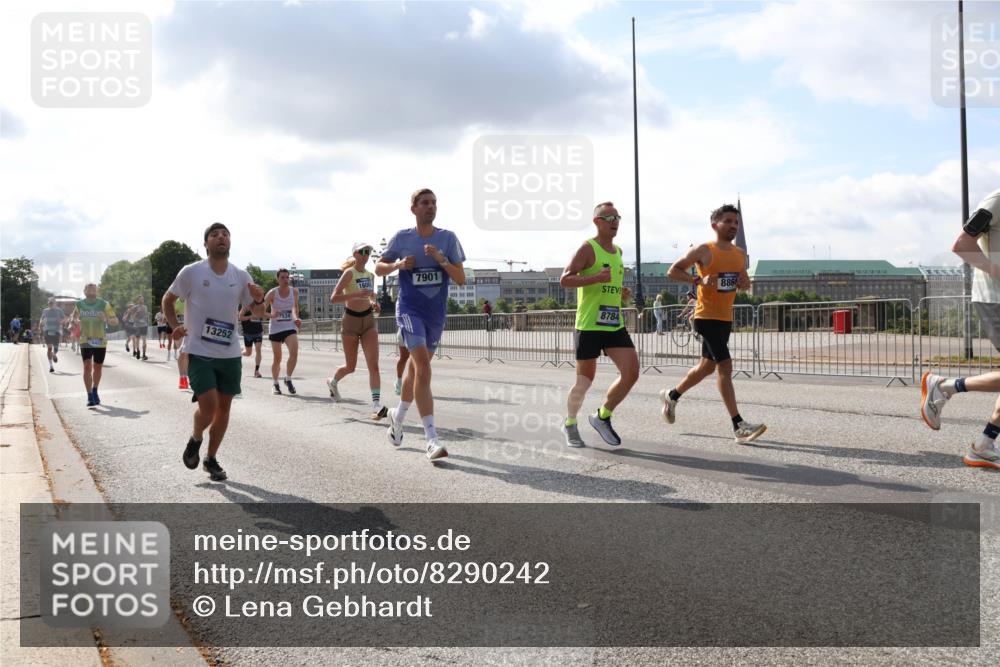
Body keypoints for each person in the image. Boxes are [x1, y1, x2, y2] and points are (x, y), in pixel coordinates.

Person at [164, 222, 263, 481]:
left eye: (225, 235)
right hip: (199, 349)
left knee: (224, 409)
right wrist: (174, 326)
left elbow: (259, 313)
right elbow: (168, 299)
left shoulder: (241, 277)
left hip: (230, 353)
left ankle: (210, 459)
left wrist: (260, 299)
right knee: (208, 407)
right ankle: (196, 438)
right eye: (214, 235)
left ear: (230, 242)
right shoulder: (192, 272)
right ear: (206, 243)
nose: (221, 238)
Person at [661, 204, 766, 444]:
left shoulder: (739, 254)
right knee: (725, 367)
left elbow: (743, 283)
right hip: (705, 316)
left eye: (736, 222)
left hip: (724, 318)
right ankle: (738, 425)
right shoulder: (703, 250)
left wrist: (744, 282)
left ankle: (672, 395)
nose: (733, 226)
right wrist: (698, 279)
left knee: (706, 368)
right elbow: (672, 271)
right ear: (714, 225)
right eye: (728, 221)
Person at [376, 187, 466, 461]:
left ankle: (397, 416)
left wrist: (441, 260)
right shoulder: (402, 238)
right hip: (409, 309)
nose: (431, 207)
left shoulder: (448, 238)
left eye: (434, 203)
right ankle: (431, 439)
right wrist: (399, 265)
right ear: (413, 208)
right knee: (423, 368)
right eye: (425, 203)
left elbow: (461, 278)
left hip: (435, 313)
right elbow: (378, 267)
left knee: (416, 371)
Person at [920, 186, 1000, 470]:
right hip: (996, 299)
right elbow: (962, 244)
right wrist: (995, 269)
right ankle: (943, 387)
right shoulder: (998, 199)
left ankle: (985, 444)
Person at [559, 201, 639, 448]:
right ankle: (570, 423)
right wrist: (595, 277)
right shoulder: (587, 248)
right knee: (584, 381)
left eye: (617, 218)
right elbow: (565, 280)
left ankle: (602, 416)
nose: (615, 222)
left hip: (613, 324)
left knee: (632, 372)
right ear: (597, 222)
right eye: (610, 218)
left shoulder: (619, 252)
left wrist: (620, 291)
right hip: (589, 325)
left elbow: (608, 284)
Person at [327, 242, 387, 419]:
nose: (366, 255)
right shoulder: (349, 273)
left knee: (373, 364)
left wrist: (375, 304)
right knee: (351, 366)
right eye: (362, 252)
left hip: (368, 321)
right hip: (350, 322)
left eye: (368, 252)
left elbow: (371, 296)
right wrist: (354, 295)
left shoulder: (370, 275)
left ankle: (376, 405)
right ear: (355, 254)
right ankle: (333, 381)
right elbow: (334, 298)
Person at [71, 284, 119, 407]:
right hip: (85, 339)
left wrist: (106, 319)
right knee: (87, 366)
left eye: (94, 289)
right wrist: (74, 321)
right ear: (84, 291)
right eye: (89, 289)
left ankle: (95, 390)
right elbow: (74, 317)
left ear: (97, 291)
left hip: (100, 340)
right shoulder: (79, 304)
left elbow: (115, 321)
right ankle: (89, 396)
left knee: (97, 367)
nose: (92, 290)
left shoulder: (104, 304)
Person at [266, 268, 301, 395]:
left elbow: (294, 308)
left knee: (294, 353)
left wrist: (296, 318)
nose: (286, 280)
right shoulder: (272, 293)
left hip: (289, 327)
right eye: (282, 277)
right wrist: (272, 315)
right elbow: (261, 311)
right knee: (277, 359)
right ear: (278, 279)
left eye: (287, 277)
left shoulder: (294, 291)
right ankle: (275, 383)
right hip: (275, 328)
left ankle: (288, 378)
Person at [239, 299, 267, 378]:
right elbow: (240, 317)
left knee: (258, 349)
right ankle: (240, 353)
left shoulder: (261, 306)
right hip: (248, 334)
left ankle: (256, 371)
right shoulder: (246, 307)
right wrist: (251, 316)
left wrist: (273, 315)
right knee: (248, 353)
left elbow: (264, 315)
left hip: (258, 332)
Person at [39, 298, 65, 372]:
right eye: (49, 303)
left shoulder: (59, 310)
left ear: (55, 304)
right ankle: (51, 366)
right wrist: (40, 323)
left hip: (56, 331)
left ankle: (54, 354)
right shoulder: (45, 310)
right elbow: (42, 318)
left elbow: (64, 319)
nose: (50, 305)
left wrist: (60, 321)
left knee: (56, 348)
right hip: (47, 331)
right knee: (49, 348)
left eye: (52, 303)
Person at [131, 296, 149, 360]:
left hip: (144, 325)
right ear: (137, 300)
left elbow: (146, 316)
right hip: (137, 326)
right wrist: (137, 312)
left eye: (142, 299)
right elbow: (133, 317)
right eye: (140, 300)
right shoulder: (134, 307)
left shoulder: (145, 307)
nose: (142, 301)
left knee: (144, 340)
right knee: (137, 340)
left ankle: (144, 354)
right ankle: (138, 351)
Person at [394, 329, 410, 395]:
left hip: (418, 333)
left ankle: (415, 384)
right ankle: (398, 382)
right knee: (404, 357)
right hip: (404, 332)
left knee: (417, 359)